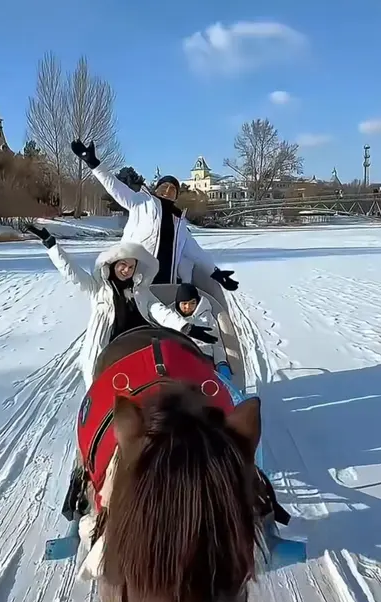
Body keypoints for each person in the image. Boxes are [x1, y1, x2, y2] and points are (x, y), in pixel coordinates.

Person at [26, 223, 220, 520]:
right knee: (95, 409)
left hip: (143, 347)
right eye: (122, 265)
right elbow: (71, 274)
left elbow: (160, 313)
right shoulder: (97, 291)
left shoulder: (143, 294)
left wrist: (186, 327)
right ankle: (82, 470)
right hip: (108, 351)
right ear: (111, 267)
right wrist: (52, 245)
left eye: (130, 265)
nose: (126, 270)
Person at [69, 139, 240, 293]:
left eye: (172, 189)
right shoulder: (140, 202)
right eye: (164, 186)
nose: (167, 190)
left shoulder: (179, 223)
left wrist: (216, 273)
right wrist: (93, 163)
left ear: (176, 196)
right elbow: (115, 186)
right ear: (156, 189)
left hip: (167, 283)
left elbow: (197, 253)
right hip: (135, 280)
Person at [174, 282, 234, 382]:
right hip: (181, 356)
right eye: (184, 304)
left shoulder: (207, 317)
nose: (188, 307)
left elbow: (216, 342)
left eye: (192, 303)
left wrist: (221, 362)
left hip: (203, 356)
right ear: (178, 303)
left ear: (197, 302)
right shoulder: (173, 319)